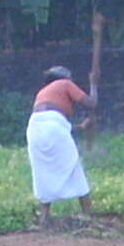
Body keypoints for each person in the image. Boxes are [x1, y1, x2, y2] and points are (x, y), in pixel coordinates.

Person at [26, 64, 94, 224]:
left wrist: (82, 127)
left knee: (42, 172)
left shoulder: (42, 93)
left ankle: (44, 216)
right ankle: (88, 215)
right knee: (74, 166)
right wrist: (94, 84)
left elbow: (56, 124)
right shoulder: (65, 84)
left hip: (34, 129)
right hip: (52, 128)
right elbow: (92, 103)